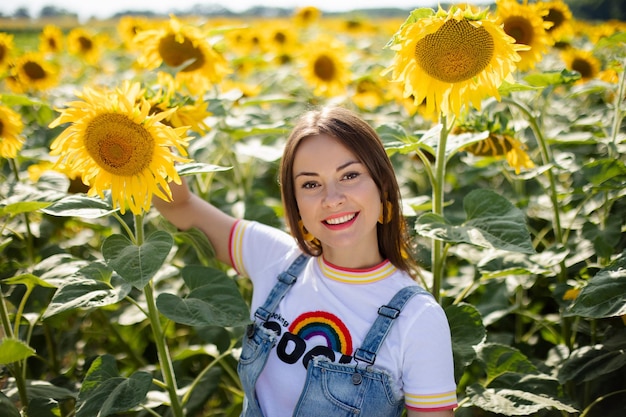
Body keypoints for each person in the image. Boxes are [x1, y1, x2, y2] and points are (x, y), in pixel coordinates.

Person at [153, 106, 457, 417]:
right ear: (295, 203)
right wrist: (147, 137)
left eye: (349, 175)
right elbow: (180, 205)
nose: (332, 198)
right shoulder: (275, 259)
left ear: (382, 185)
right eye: (310, 184)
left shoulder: (418, 318)